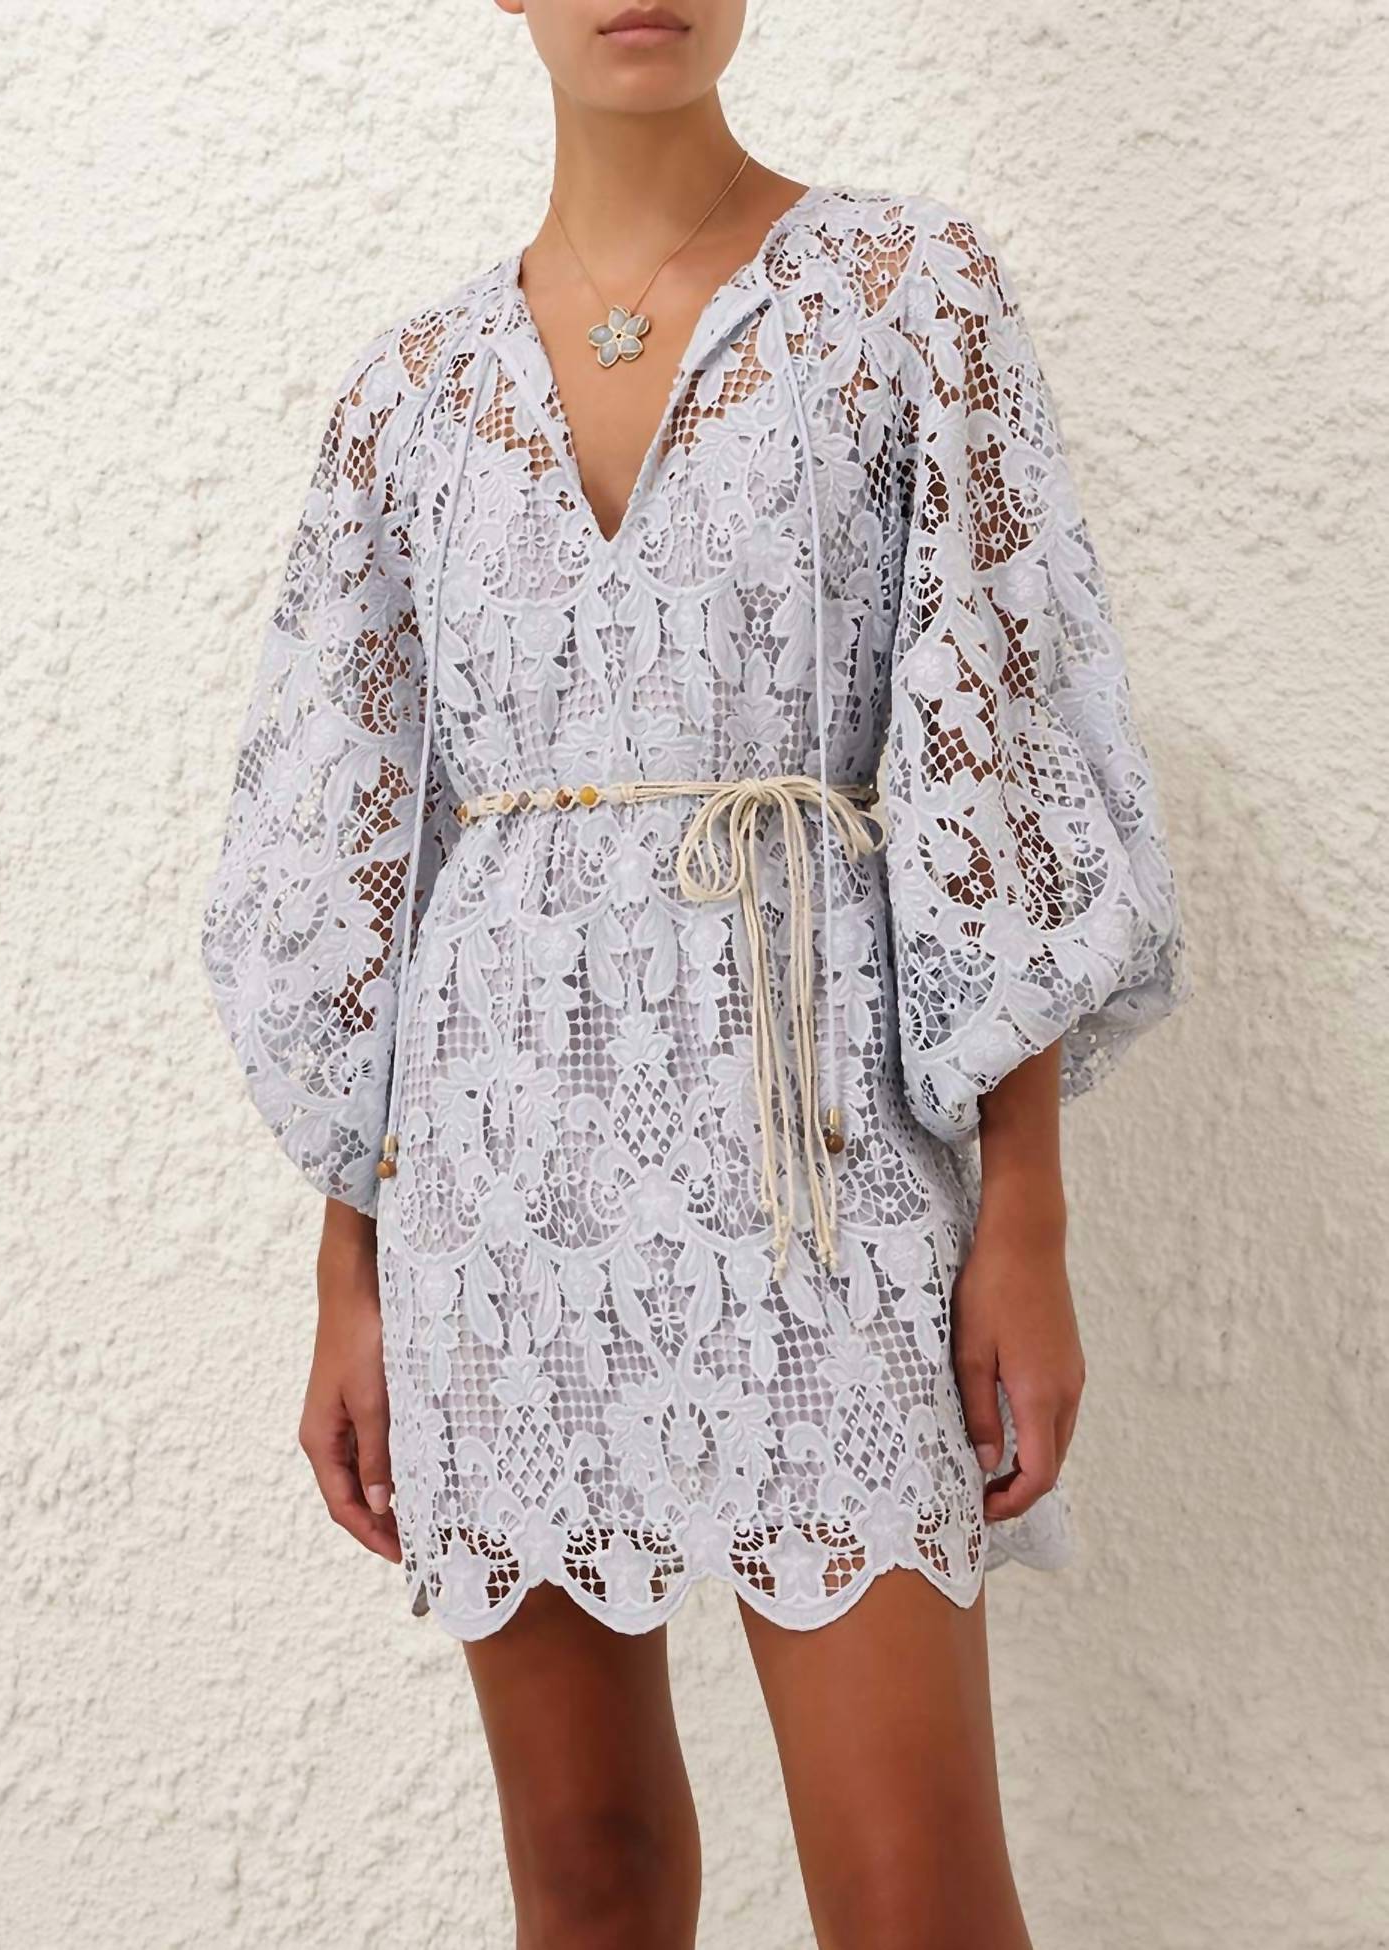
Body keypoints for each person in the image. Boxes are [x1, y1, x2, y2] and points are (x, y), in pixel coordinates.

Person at [199, 2, 1187, 1942]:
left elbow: (996, 758)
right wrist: (348, 1268)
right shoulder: (407, 398)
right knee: (590, 1878)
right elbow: (357, 857)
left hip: (825, 1181)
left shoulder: (908, 298)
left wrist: (1026, 1213)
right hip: (495, 1215)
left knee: (912, 1893)